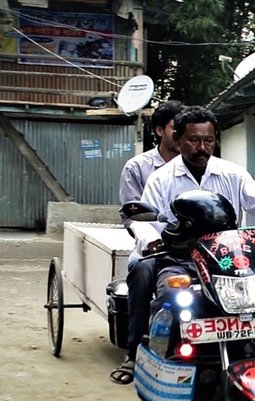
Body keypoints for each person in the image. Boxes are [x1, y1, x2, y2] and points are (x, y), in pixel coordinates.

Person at [138, 106, 255, 326]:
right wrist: (151, 240)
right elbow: (148, 222)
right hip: (182, 260)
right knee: (167, 297)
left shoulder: (233, 174)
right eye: (194, 140)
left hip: (229, 261)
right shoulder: (161, 179)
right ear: (177, 138)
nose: (202, 147)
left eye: (209, 140)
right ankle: (143, 347)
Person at [110, 100, 183, 385]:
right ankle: (133, 351)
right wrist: (150, 240)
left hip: (192, 246)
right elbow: (134, 216)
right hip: (153, 246)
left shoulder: (201, 164)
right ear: (159, 131)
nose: (182, 136)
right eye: (176, 129)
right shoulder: (138, 168)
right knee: (140, 271)